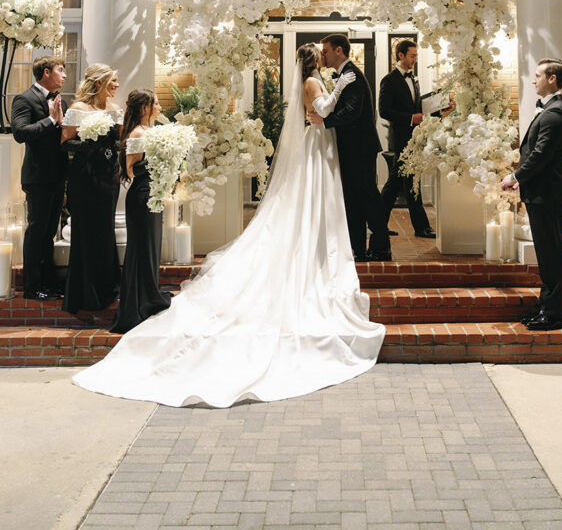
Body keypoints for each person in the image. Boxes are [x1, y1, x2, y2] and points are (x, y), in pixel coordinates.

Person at [73, 43, 384, 407]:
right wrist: (331, 103)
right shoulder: (314, 83)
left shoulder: (316, 79)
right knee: (315, 200)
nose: (327, 60)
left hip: (319, 143)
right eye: (323, 56)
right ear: (317, 60)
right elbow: (323, 111)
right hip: (318, 144)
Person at [501, 58, 562, 331]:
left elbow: (541, 155)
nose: (534, 80)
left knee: (552, 253)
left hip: (549, 193)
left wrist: (515, 176)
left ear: (552, 79)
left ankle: (555, 314)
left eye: (538, 75)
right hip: (542, 192)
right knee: (547, 254)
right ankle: (548, 308)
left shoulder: (555, 113)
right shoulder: (549, 109)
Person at [315, 33, 391, 261]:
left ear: (339, 51)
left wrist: (324, 121)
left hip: (359, 148)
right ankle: (358, 247)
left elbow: (352, 111)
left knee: (367, 197)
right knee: (353, 199)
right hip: (353, 147)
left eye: (326, 51)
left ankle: (381, 248)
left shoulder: (352, 76)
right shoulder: (346, 75)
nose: (323, 55)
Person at [61, 63, 122, 314]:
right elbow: (65, 143)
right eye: (113, 81)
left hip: (108, 177)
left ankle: (109, 288)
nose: (117, 86)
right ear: (99, 83)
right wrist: (91, 144)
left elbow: (120, 140)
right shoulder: (78, 108)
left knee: (105, 230)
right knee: (86, 233)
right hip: (85, 177)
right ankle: (85, 293)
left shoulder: (116, 109)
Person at [110, 90, 172, 334]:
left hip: (153, 193)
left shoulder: (149, 131)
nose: (158, 106)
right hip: (142, 196)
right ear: (144, 108)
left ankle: (150, 294)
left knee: (151, 247)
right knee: (141, 248)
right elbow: (130, 168)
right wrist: (159, 164)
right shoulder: (137, 133)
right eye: (155, 103)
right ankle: (137, 305)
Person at [10, 56, 68, 300]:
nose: (64, 75)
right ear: (46, 72)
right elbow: (20, 132)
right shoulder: (24, 99)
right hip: (38, 177)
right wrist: (51, 120)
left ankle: (48, 282)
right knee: (37, 231)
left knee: (49, 232)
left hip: (57, 176)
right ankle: (32, 287)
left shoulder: (60, 100)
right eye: (60, 70)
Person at [378, 39, 435, 238]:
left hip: (414, 139)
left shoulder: (414, 79)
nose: (415, 59)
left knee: (399, 184)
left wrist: (437, 109)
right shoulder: (389, 80)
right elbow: (384, 111)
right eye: (412, 56)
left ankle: (378, 225)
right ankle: (421, 227)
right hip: (401, 139)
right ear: (400, 55)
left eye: (416, 56)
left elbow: (418, 108)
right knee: (407, 183)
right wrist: (411, 118)